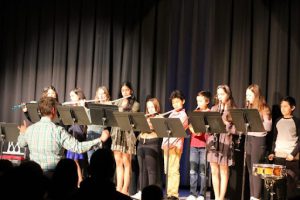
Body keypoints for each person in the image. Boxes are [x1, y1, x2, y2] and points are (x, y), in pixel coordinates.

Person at [17, 97, 105, 174]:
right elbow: (78, 147)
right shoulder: (58, 131)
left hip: (35, 175)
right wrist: (100, 139)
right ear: (53, 110)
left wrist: (22, 133)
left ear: (39, 111)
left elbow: (21, 143)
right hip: (54, 176)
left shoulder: (30, 129)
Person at [206, 84, 236, 200]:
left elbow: (237, 129)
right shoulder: (214, 109)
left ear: (228, 95)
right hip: (213, 140)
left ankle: (221, 197)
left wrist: (226, 125)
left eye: (222, 94)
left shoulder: (233, 109)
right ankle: (217, 196)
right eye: (218, 94)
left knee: (223, 170)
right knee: (214, 170)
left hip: (226, 141)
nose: (219, 97)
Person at [111, 81, 140, 195]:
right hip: (117, 133)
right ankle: (118, 188)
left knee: (126, 162)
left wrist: (123, 108)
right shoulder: (117, 102)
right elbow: (112, 114)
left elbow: (131, 116)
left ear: (131, 91)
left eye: (127, 90)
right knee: (118, 162)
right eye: (123, 90)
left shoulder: (135, 104)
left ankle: (125, 190)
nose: (124, 92)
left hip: (128, 134)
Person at [268, 96, 300, 200]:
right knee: (279, 186)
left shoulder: (296, 121)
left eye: (285, 106)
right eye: (281, 106)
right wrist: (272, 152)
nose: (283, 108)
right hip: (278, 158)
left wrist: (293, 154)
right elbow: (274, 138)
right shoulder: (278, 120)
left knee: (291, 187)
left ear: (293, 107)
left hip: (291, 158)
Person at [244, 84, 272, 200]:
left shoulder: (264, 108)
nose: (247, 97)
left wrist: (255, 124)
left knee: (256, 170)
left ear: (256, 95)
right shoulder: (248, 108)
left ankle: (257, 196)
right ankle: (252, 196)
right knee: (250, 170)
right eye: (246, 95)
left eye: (250, 95)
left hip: (258, 140)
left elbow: (268, 126)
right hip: (249, 138)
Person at [131, 98, 163, 200]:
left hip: (152, 143)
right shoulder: (144, 117)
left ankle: (152, 194)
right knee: (142, 170)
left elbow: (160, 130)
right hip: (141, 142)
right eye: (148, 107)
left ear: (156, 107)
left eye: (152, 107)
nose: (150, 109)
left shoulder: (159, 117)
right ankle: (141, 191)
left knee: (151, 171)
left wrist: (152, 124)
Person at [161, 90, 188, 200]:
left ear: (183, 101)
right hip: (167, 144)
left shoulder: (183, 115)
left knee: (174, 170)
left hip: (175, 145)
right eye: (173, 102)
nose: (175, 104)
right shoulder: (172, 113)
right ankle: (169, 192)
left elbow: (177, 130)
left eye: (177, 102)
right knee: (167, 170)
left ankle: (174, 194)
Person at [187, 91, 211, 200]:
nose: (198, 103)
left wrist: (200, 131)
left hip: (204, 145)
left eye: (201, 101)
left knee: (203, 171)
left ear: (207, 101)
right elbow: (190, 125)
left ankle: (202, 194)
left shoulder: (210, 113)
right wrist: (193, 131)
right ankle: (193, 193)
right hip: (194, 144)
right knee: (192, 170)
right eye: (197, 101)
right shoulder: (195, 112)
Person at [66, 88, 88, 186]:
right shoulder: (70, 107)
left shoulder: (83, 106)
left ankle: (80, 180)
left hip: (79, 135)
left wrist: (82, 107)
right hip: (71, 133)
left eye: (73, 96)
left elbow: (85, 122)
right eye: (70, 96)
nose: (71, 98)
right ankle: (77, 180)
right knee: (72, 160)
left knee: (75, 160)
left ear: (78, 96)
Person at [86, 86, 111, 162]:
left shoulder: (110, 106)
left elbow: (109, 124)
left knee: (99, 161)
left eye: (103, 93)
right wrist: (83, 107)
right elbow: (87, 121)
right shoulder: (93, 107)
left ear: (106, 95)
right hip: (90, 134)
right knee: (90, 160)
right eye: (99, 94)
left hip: (100, 134)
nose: (101, 96)